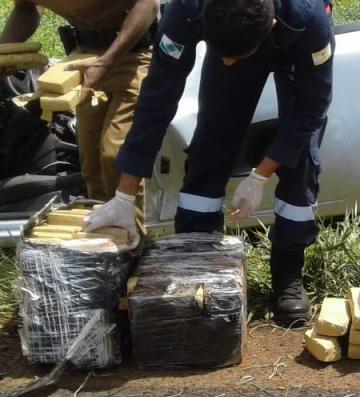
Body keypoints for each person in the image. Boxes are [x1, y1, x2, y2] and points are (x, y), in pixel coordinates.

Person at [83, 0, 334, 325]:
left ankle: (288, 273)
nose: (227, 63)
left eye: (234, 57)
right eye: (221, 54)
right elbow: (157, 96)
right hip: (236, 33)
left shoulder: (309, 19)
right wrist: (124, 195)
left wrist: (260, 175)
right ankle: (198, 261)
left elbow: (311, 109)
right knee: (211, 143)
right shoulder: (187, 9)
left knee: (300, 158)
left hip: (293, 45)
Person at [1, 0, 159, 203]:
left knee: (115, 156)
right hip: (84, 58)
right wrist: (4, 53)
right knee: (91, 166)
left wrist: (105, 62)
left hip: (134, 51)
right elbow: (26, 10)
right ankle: (101, 221)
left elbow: (148, 3)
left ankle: (129, 222)